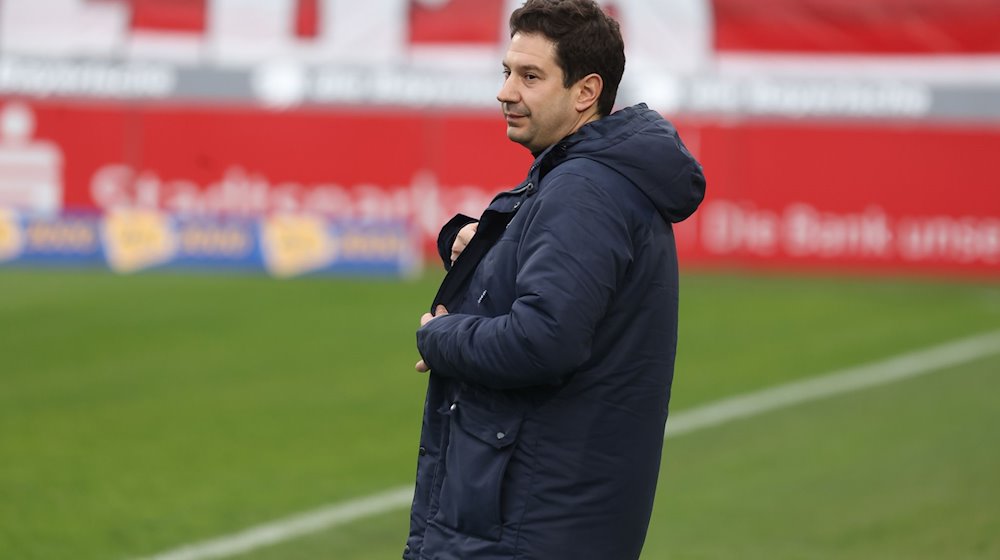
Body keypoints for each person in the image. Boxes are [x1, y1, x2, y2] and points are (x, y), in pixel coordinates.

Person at [405, 0, 706, 558]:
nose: (505, 92)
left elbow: (543, 341)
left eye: (530, 76)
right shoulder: (593, 178)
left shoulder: (585, 189)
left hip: (529, 521)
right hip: (546, 511)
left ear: (586, 92)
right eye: (506, 72)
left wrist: (438, 337)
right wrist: (488, 255)